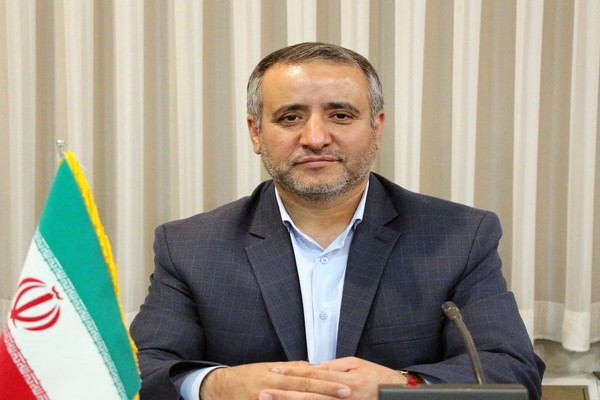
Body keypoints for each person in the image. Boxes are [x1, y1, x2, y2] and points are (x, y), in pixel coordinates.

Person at [130, 42, 545, 400]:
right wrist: (218, 385)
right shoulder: (189, 245)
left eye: (341, 115)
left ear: (376, 129)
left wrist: (403, 386)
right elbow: (141, 370)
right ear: (256, 133)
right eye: (290, 117)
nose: (315, 138)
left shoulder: (458, 237)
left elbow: (511, 370)